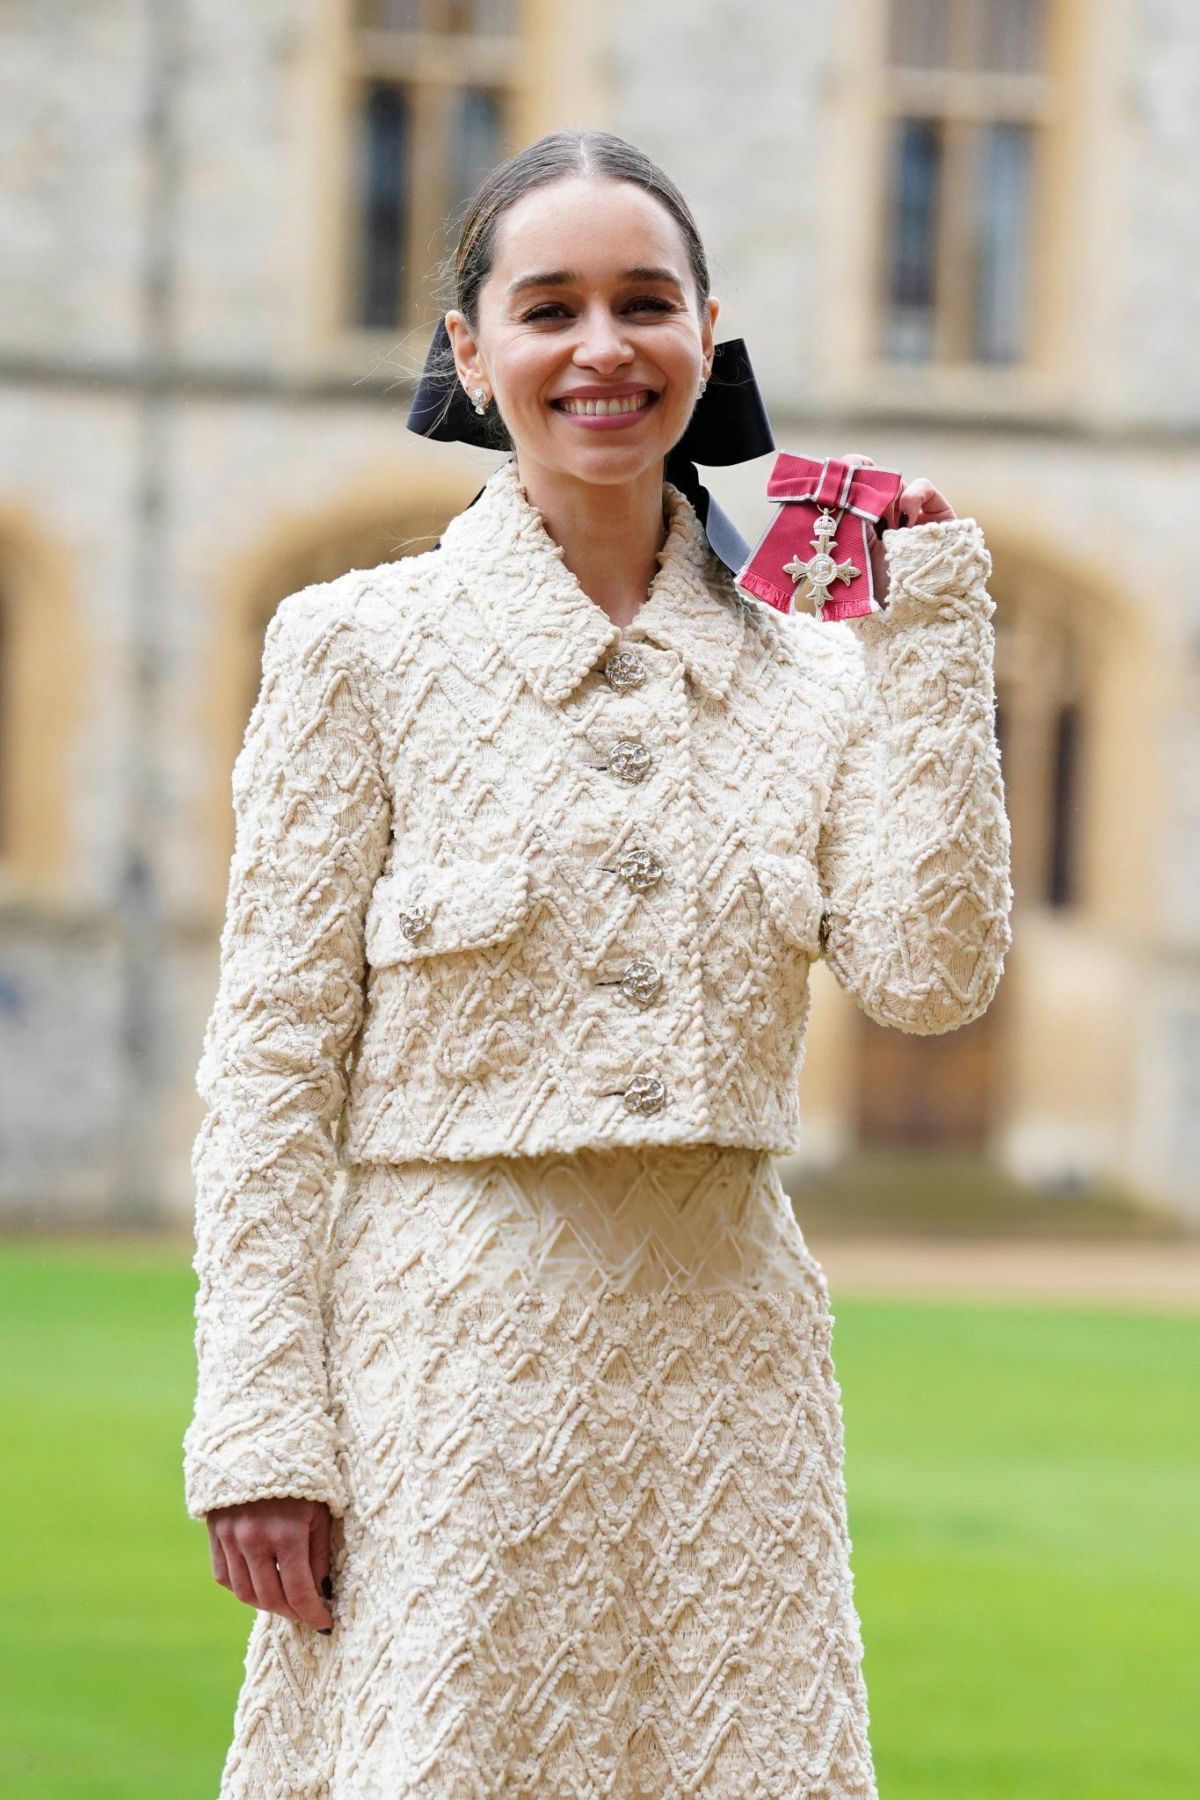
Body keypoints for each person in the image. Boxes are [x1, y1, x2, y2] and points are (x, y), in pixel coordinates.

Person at [182, 128, 1012, 1798]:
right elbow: (271, 1062)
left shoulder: (818, 675)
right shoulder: (355, 648)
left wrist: (931, 641)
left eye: (645, 304)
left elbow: (929, 979)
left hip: (732, 1375)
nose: (603, 348)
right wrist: (264, 1427)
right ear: (470, 354)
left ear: (709, 335)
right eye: (548, 308)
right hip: (441, 1373)